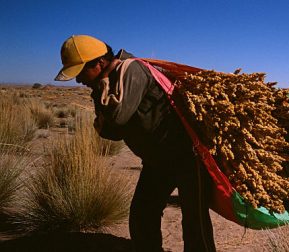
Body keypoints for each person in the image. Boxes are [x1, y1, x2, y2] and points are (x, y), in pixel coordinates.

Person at [54, 35, 216, 252]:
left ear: (99, 63)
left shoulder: (131, 70)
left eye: (82, 71)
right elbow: (111, 132)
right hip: (157, 161)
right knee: (142, 215)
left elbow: (116, 121)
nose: (79, 80)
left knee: (195, 222)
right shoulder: (111, 81)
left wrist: (101, 94)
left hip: (187, 158)